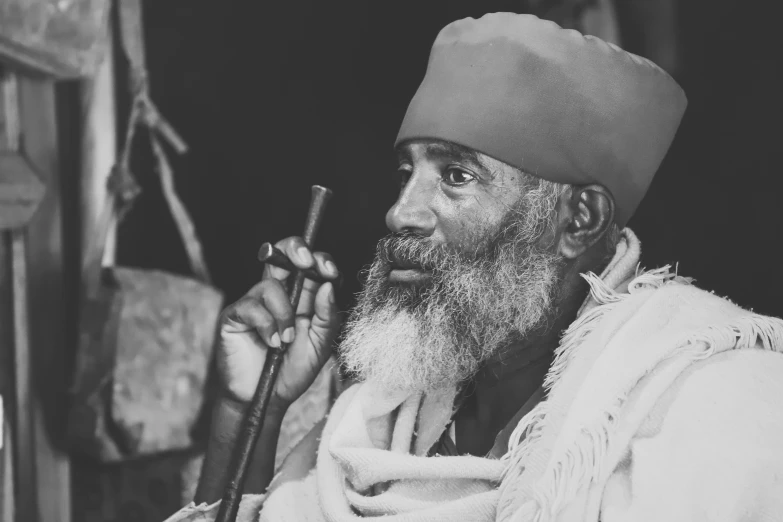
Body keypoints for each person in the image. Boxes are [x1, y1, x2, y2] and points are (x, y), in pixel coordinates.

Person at [165, 12, 783, 522]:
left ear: (579, 221)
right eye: (405, 173)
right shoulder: (390, 407)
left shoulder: (709, 406)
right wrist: (252, 404)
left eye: (456, 177)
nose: (399, 213)